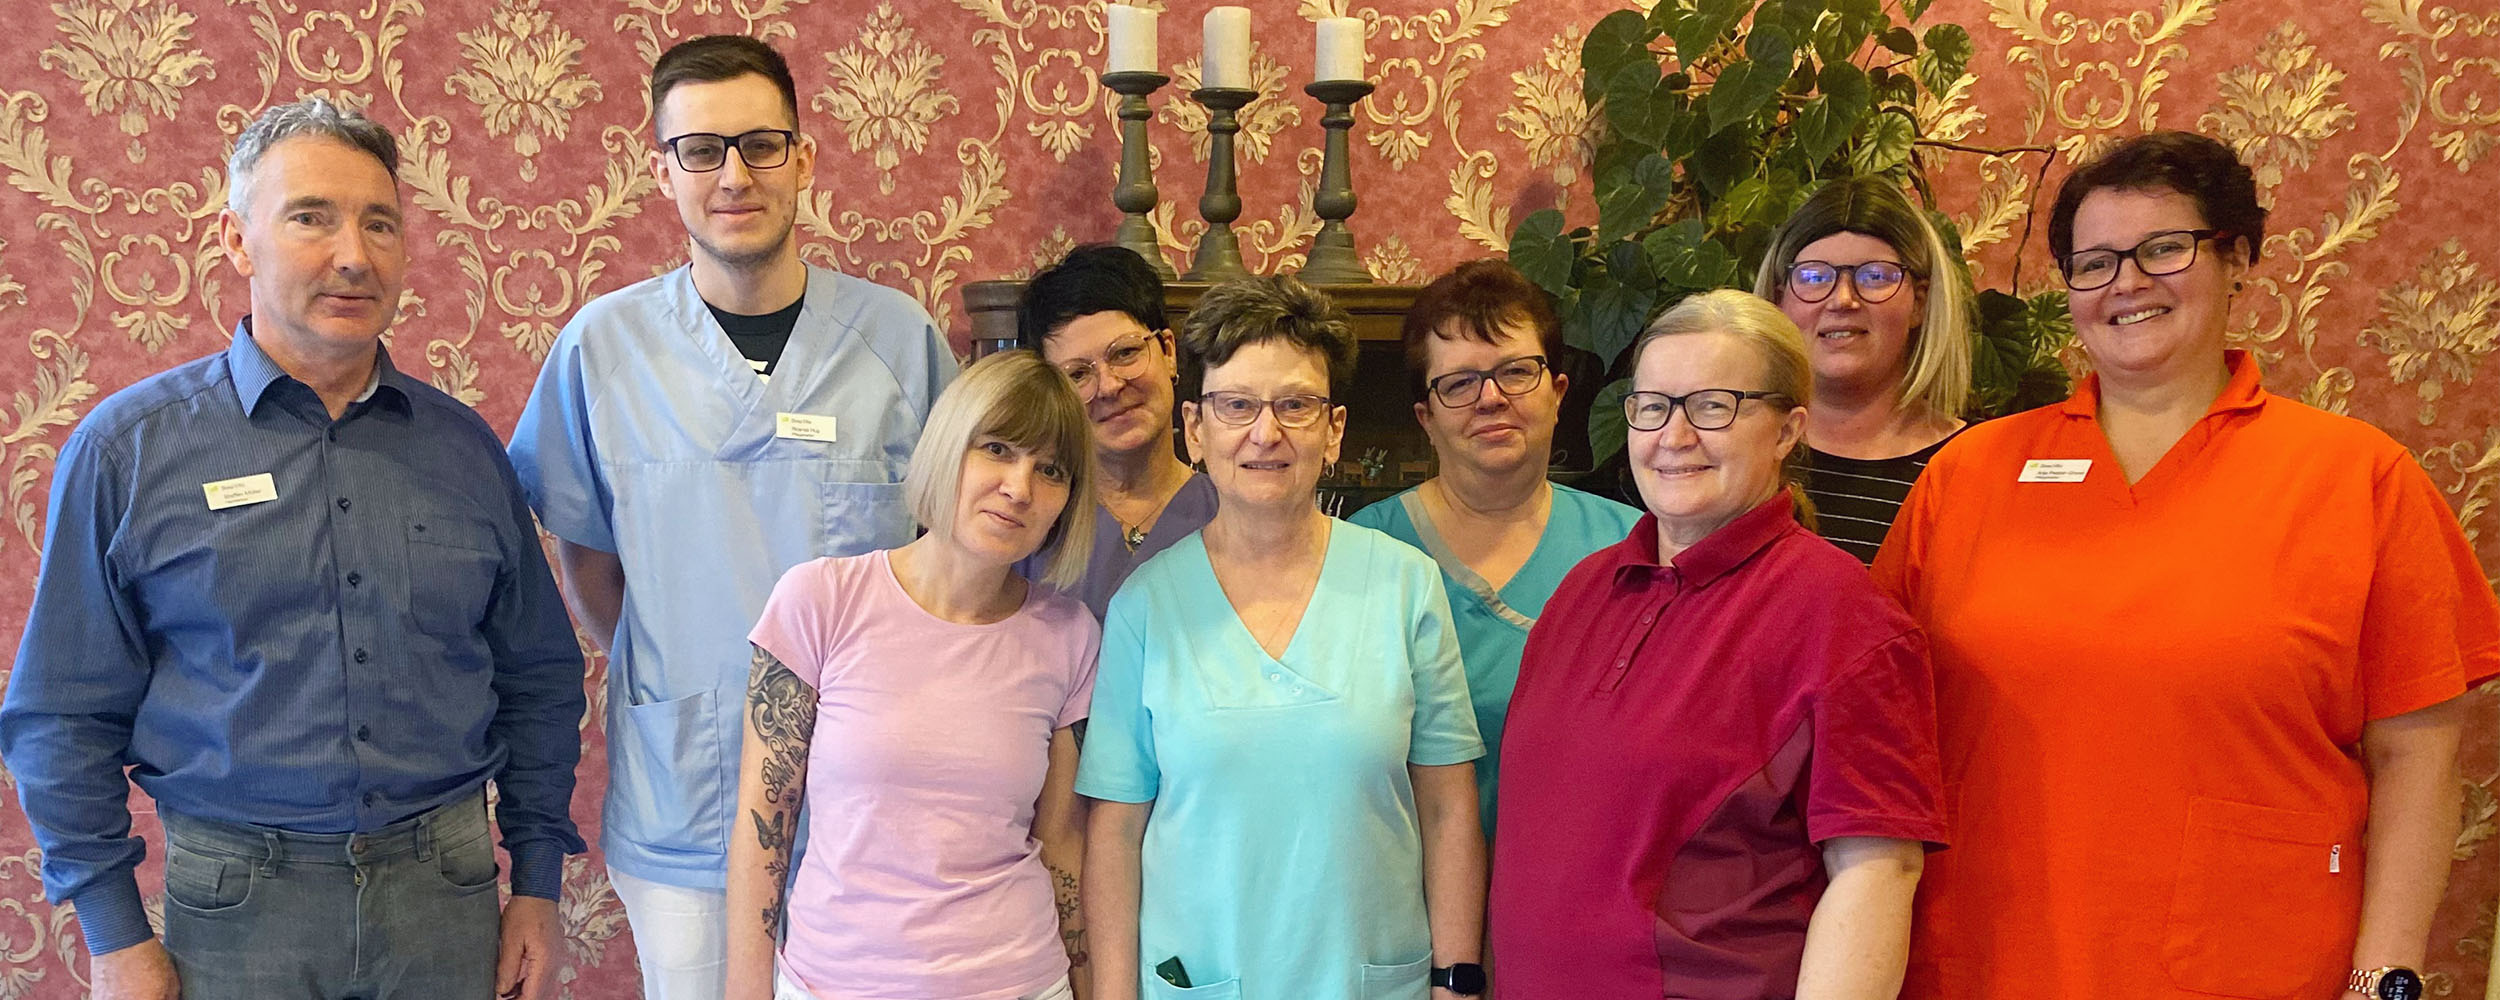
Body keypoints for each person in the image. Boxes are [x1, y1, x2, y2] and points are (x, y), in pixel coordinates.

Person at [1874, 131, 2500, 1000]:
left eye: (2164, 249)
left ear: (2237, 260)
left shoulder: (2359, 478)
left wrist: (2379, 982)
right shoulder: (1967, 475)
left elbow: (2419, 764)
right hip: (1984, 961)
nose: (2126, 283)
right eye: (2094, 263)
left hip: (2256, 966)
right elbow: (1877, 728)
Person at [0, 98, 586, 1000]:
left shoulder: (466, 450)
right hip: (238, 908)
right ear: (236, 241)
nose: (354, 255)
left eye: (380, 223)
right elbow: (60, 714)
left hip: (446, 895)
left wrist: (537, 883)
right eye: (311, 217)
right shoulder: (128, 452)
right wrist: (114, 935)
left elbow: (538, 679)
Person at [507, 35, 957, 997]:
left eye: (760, 144)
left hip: (867, 798)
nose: (734, 176)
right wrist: (682, 669)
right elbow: (587, 555)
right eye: (701, 150)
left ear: (805, 157)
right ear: (663, 171)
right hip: (688, 795)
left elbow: (946, 553)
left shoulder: (898, 340)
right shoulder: (604, 347)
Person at [1492, 290, 1945, 1000]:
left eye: (1713, 406)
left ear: (1788, 429)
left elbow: (1878, 873)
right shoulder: (1583, 589)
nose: (1674, 436)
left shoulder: (1845, 618)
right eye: (1652, 406)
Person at [1078, 275, 1489, 1000]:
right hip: (1200, 977)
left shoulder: (1405, 585)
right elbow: (1115, 833)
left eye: (1295, 405)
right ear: (1195, 429)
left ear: (1334, 429)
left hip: (1370, 978)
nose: (1265, 434)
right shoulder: (1145, 606)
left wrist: (1455, 979)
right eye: (1236, 405)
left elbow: (1449, 807)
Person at [724, 350, 1101, 1000]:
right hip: (831, 981)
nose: (1020, 488)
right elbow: (764, 825)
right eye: (998, 449)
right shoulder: (820, 601)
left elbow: (1064, 846)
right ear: (948, 447)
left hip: (1020, 981)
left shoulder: (1070, 635)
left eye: (1051, 470)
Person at [1349, 259, 1641, 841]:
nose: (1490, 398)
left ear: (1558, 393)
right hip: (1409, 885)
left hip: (1587, 878)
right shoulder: (1365, 552)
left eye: (1516, 371)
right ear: (1426, 417)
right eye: (1459, 383)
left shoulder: (1633, 549)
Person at [1754, 176, 1972, 565]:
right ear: (1778, 300)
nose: (1843, 299)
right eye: (1814, 277)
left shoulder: (1975, 464)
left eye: (1875, 276)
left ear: (1920, 303)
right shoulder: (1737, 454)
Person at [1015, 244, 1217, 618]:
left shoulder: (1232, 512)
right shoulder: (1029, 522)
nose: (1109, 387)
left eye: (1125, 353)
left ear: (1168, 352)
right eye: (1078, 374)